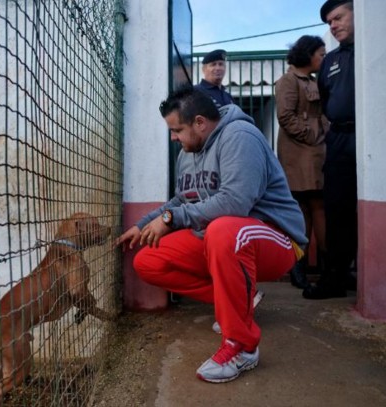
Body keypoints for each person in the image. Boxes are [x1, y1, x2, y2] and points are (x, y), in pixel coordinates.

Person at [115, 86, 307, 383]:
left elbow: (235, 202)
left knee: (221, 229)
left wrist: (172, 219)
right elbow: (181, 201)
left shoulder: (240, 137)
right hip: (224, 240)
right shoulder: (187, 153)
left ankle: (241, 346)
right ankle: (242, 299)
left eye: (177, 129)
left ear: (200, 122)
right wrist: (143, 224)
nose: (173, 138)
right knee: (148, 261)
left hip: (275, 237)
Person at [303, 0, 357, 300]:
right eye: (329, 22)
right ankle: (336, 277)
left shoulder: (376, 49)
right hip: (339, 139)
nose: (333, 26)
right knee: (337, 208)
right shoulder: (331, 61)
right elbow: (326, 99)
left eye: (337, 18)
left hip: (373, 136)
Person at [275, 35, 329, 289]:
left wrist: (320, 133)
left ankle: (324, 266)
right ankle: (299, 265)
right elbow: (285, 116)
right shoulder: (288, 80)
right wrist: (312, 134)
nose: (323, 58)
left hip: (314, 150)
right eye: (320, 53)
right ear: (308, 54)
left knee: (317, 204)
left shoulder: (314, 80)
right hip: (298, 152)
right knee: (304, 208)